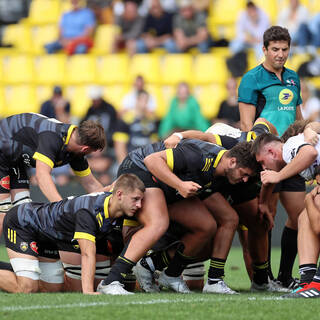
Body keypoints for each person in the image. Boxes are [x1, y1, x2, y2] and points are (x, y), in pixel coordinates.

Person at [97, 138, 258, 294]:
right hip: (141, 168)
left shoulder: (220, 168)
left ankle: (171, 274)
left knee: (206, 226)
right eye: (244, 174)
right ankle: (111, 281)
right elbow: (152, 160)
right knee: (158, 223)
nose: (245, 180)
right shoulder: (198, 156)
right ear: (232, 162)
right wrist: (179, 185)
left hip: (166, 184)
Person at [0, 174, 145, 294]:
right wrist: (88, 292)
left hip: (48, 237)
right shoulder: (88, 212)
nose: (139, 205)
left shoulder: (114, 204)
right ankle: (23, 274)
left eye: (141, 200)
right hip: (22, 222)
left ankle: (21, 271)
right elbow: (87, 253)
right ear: (119, 195)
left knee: (52, 289)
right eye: (135, 199)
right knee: (27, 288)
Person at [238, 25, 304, 289]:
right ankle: (262, 279)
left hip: (291, 157)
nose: (280, 54)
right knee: (266, 217)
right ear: (263, 49)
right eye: (274, 49)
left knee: (301, 217)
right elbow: (246, 125)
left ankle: (285, 276)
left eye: (284, 49)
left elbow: (298, 120)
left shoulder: (293, 78)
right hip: (266, 158)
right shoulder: (252, 79)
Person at [0, 113, 106, 236]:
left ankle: (21, 254)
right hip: (3, 149)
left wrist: (109, 201)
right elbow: (42, 176)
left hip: (15, 158)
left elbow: (91, 183)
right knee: (3, 211)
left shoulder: (74, 148)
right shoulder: (52, 137)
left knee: (22, 210)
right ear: (85, 149)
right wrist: (62, 209)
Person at [82, 86, 118, 184]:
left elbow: (113, 130)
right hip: (92, 148)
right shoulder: (90, 110)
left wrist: (101, 145)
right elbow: (83, 129)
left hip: (106, 148)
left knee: (104, 173)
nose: (94, 102)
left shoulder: (110, 110)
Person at [113, 90, 159, 165]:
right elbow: (119, 145)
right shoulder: (126, 119)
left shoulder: (151, 120)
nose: (144, 103)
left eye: (146, 100)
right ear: (136, 100)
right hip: (131, 160)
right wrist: (124, 165)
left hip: (147, 162)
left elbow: (154, 144)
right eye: (142, 100)